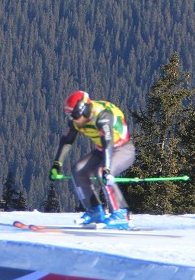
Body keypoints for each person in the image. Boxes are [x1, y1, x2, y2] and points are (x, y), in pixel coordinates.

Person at [51, 90, 137, 229]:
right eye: (70, 115)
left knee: (102, 172)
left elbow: (107, 141)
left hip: (123, 149)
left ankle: (121, 214)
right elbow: (67, 141)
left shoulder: (102, 115)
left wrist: (108, 169)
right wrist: (57, 164)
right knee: (78, 170)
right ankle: (95, 210)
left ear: (84, 110)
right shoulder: (77, 120)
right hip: (102, 149)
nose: (73, 119)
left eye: (75, 115)